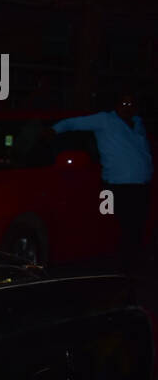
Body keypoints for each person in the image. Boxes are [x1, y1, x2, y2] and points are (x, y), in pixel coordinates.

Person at [53, 92, 153, 270]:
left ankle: (131, 263)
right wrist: (53, 130)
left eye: (131, 104)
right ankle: (115, 266)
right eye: (124, 103)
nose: (127, 107)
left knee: (137, 225)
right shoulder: (105, 120)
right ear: (116, 105)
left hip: (140, 185)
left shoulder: (137, 123)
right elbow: (73, 123)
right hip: (114, 186)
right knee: (114, 223)